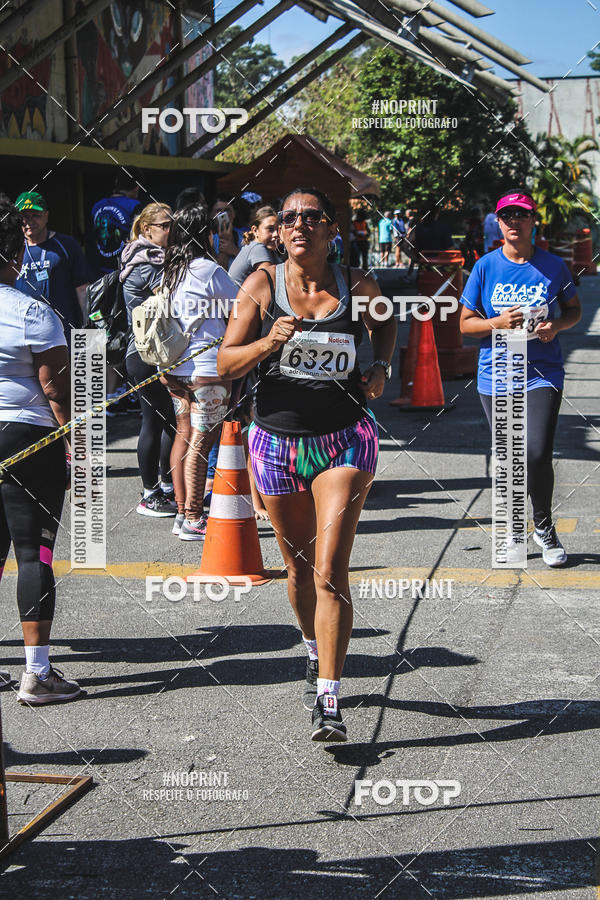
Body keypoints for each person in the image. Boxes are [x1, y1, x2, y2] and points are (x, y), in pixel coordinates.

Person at [217, 187, 397, 742]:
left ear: (330, 229)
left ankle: (329, 699)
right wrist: (267, 343)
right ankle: (314, 648)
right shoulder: (261, 285)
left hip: (345, 440)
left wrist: (381, 366)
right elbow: (225, 363)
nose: (298, 225)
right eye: (289, 217)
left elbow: (387, 321)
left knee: (330, 567)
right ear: (279, 231)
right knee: (297, 569)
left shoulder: (356, 285)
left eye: (310, 217)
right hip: (276, 443)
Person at [460, 189, 581, 567]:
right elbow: (465, 325)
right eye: (507, 216)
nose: (514, 222)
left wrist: (555, 326)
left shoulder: (553, 266)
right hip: (496, 373)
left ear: (533, 222)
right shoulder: (485, 267)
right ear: (498, 223)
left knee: (538, 451)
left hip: (542, 372)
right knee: (511, 456)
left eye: (522, 215)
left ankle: (543, 527)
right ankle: (514, 529)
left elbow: (574, 311)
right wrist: (497, 322)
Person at [0, 195, 80, 704]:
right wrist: (76, 443)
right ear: (16, 255)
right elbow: (56, 392)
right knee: (34, 554)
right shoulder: (32, 311)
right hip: (28, 438)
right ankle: (37, 673)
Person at [161, 203, 235, 540]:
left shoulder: (170, 271)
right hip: (207, 372)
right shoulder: (209, 270)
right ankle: (193, 517)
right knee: (201, 444)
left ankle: (182, 512)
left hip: (175, 369)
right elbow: (243, 306)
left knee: (185, 436)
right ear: (206, 235)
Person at [120, 202, 177, 517]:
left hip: (151, 353)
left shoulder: (144, 256)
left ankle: (165, 487)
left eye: (172, 224)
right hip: (146, 354)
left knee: (168, 420)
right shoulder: (148, 262)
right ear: (147, 229)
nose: (171, 230)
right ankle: (151, 493)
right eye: (165, 225)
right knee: (156, 421)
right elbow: (172, 301)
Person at [15, 191, 89, 348]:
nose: (29, 222)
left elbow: (83, 290)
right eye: (24, 217)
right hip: (25, 336)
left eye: (36, 215)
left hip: (65, 333)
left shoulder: (67, 245)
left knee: (87, 365)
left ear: (46, 216)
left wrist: (90, 333)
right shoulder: (12, 249)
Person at [90, 167, 143, 275]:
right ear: (137, 187)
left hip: (101, 271)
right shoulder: (134, 206)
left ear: (116, 182)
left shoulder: (97, 206)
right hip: (127, 272)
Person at [228, 206, 279, 287]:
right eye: (270, 229)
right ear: (255, 230)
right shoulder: (257, 248)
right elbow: (271, 284)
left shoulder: (268, 250)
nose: (276, 234)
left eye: (279, 229)